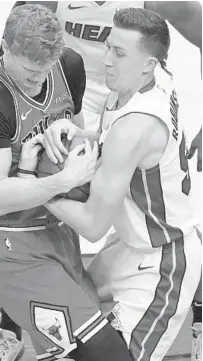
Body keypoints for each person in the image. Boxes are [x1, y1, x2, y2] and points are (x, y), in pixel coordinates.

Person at [33, 8, 201, 361]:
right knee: (72, 327)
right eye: (108, 47)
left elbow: (93, 226)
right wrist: (84, 134)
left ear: (149, 64)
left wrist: (37, 188)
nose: (106, 61)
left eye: (119, 54)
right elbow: (117, 143)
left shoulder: (135, 125)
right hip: (127, 244)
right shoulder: (139, 86)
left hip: (162, 263)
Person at [0, 4, 135, 361]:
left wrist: (80, 141)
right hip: (10, 245)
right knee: (106, 353)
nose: (39, 81)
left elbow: (76, 137)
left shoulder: (70, 65)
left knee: (83, 348)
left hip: (59, 232)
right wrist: (61, 180)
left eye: (45, 71)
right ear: (5, 48)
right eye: (30, 73)